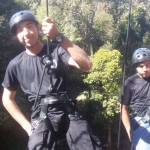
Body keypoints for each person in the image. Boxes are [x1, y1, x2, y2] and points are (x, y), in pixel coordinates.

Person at [2, 10, 102, 150]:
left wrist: (59, 37)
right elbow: (7, 99)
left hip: (68, 110)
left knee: (89, 146)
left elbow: (87, 65)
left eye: (29, 26)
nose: (26, 32)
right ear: (17, 36)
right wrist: (26, 126)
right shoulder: (15, 64)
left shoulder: (57, 50)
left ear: (38, 28)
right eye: (20, 30)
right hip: (41, 115)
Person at [118, 48, 150, 150]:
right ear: (136, 67)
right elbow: (124, 108)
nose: (145, 69)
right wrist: (128, 128)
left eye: (148, 65)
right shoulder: (130, 82)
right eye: (141, 66)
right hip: (142, 122)